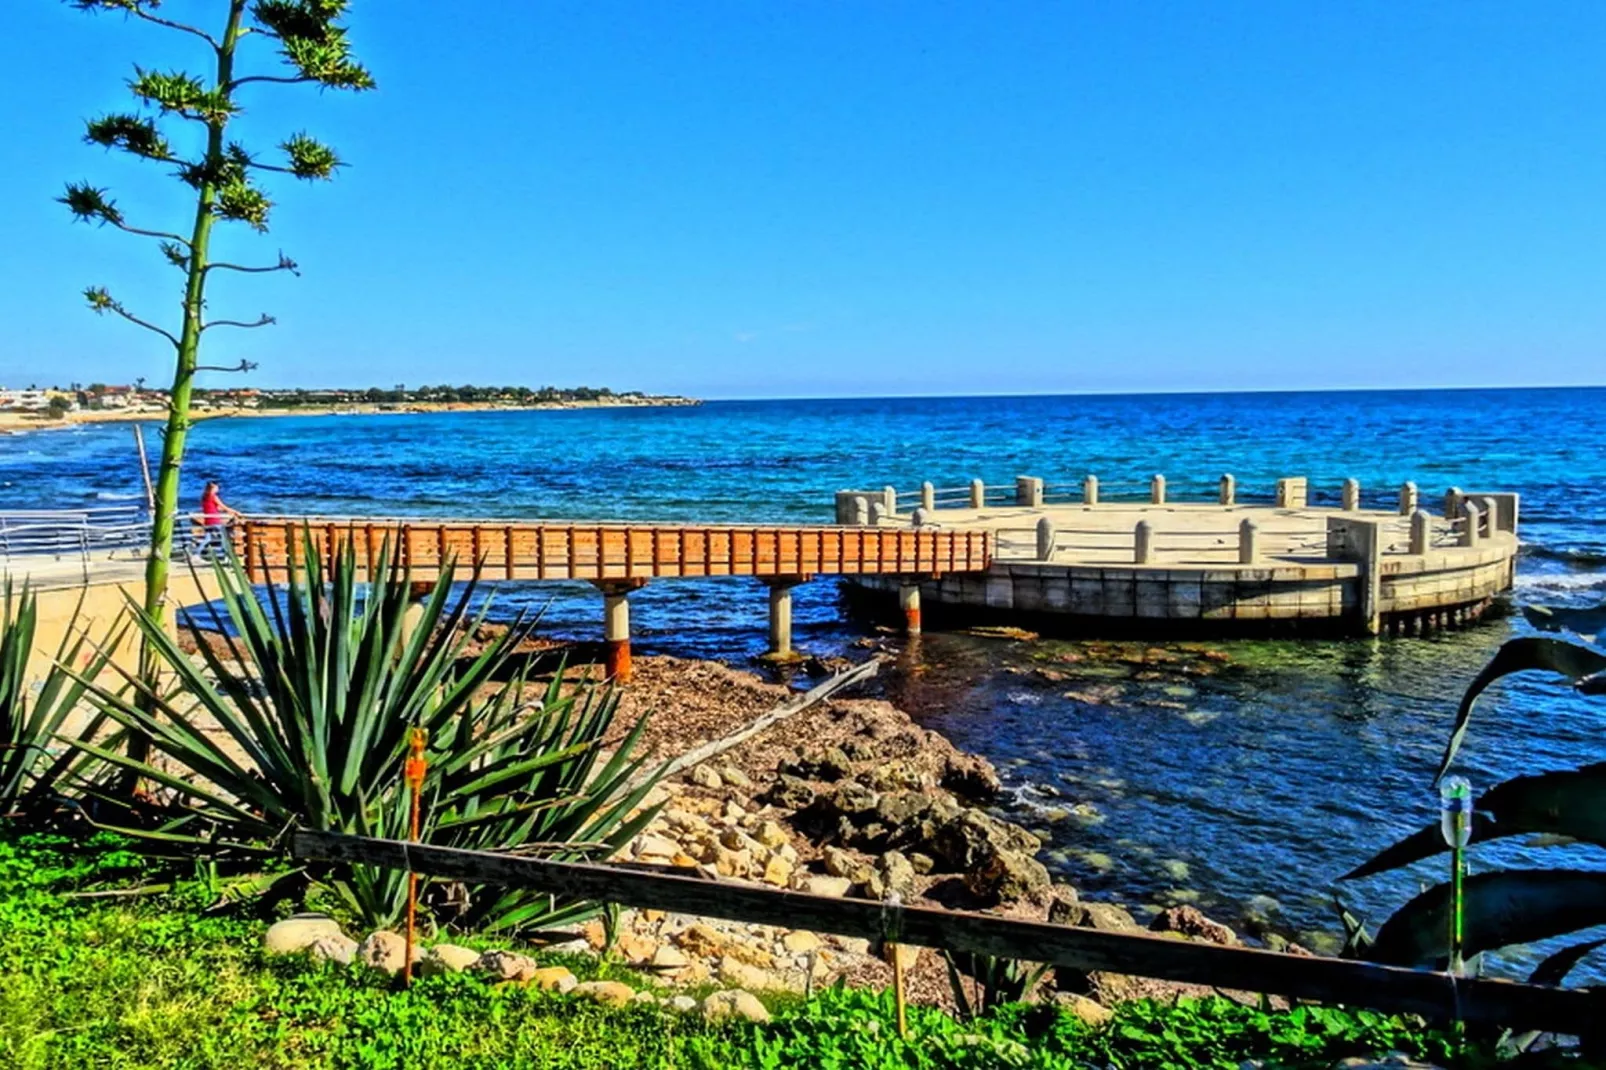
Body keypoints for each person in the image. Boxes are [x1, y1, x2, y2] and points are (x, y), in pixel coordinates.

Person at [192, 480, 242, 558]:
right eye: (217, 487)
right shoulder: (214, 497)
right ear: (213, 488)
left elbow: (216, 508)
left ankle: (196, 554)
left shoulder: (204, 497)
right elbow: (224, 507)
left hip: (208, 520)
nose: (218, 489)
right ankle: (226, 555)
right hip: (214, 521)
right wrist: (236, 512)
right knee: (223, 537)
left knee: (208, 538)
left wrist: (229, 512)